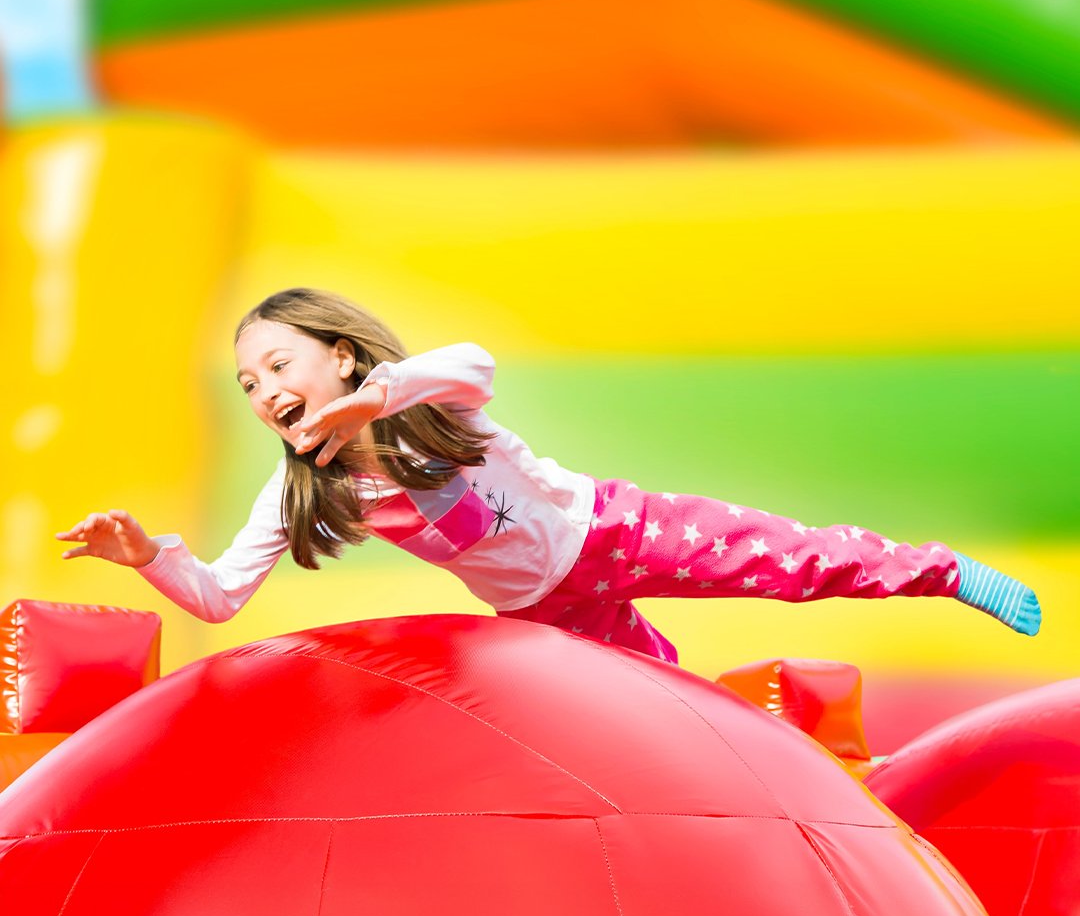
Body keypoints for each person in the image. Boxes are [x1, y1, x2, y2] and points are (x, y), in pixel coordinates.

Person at [56, 288, 1041, 664]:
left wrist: (377, 401)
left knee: (790, 562)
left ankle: (943, 572)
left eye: (279, 365)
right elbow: (220, 597)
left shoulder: (420, 400)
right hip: (543, 612)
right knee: (656, 708)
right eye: (248, 384)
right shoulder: (305, 487)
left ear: (343, 357)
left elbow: (474, 364)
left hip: (613, 530)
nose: (265, 390)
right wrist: (146, 556)